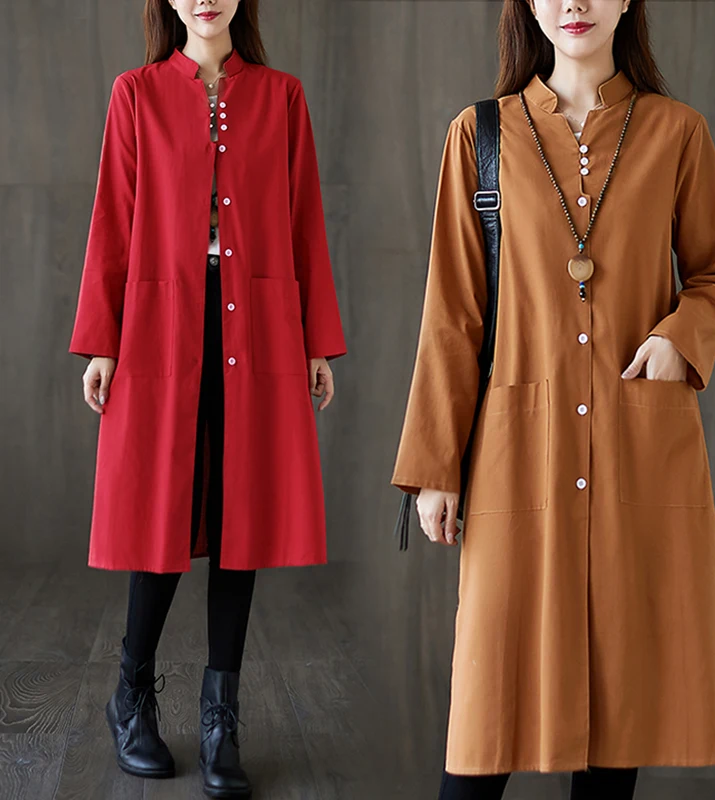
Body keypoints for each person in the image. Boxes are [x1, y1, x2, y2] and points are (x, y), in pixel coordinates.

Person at [390, 1, 715, 798]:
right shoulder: (479, 135)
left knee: (616, 722)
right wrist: (435, 467)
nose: (575, 4)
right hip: (517, 454)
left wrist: (681, 337)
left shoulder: (677, 132)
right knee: (483, 728)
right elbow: (453, 311)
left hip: (638, 454)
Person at [68, 1, 346, 797]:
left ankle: (221, 717)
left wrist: (316, 340)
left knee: (239, 515)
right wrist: (102, 342)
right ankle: (131, 695)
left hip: (256, 322)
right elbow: (113, 219)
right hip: (162, 324)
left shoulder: (282, 97)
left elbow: (304, 219)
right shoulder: (137, 93)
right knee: (162, 509)